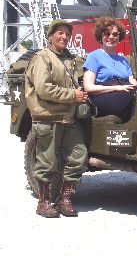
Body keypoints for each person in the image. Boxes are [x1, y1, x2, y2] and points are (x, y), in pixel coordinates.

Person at [25, 19, 89, 218]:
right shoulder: (42, 58)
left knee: (79, 155)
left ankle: (65, 199)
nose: (64, 37)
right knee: (47, 161)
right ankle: (43, 202)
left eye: (67, 34)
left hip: (68, 118)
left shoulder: (69, 58)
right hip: (47, 116)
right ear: (50, 36)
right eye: (60, 33)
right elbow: (44, 89)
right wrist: (73, 95)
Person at [83, 17, 137, 122]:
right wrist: (118, 88)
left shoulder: (123, 60)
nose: (111, 37)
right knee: (131, 96)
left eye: (115, 34)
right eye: (107, 34)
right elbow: (88, 88)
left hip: (125, 93)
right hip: (105, 96)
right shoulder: (94, 56)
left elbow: (133, 83)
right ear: (101, 36)